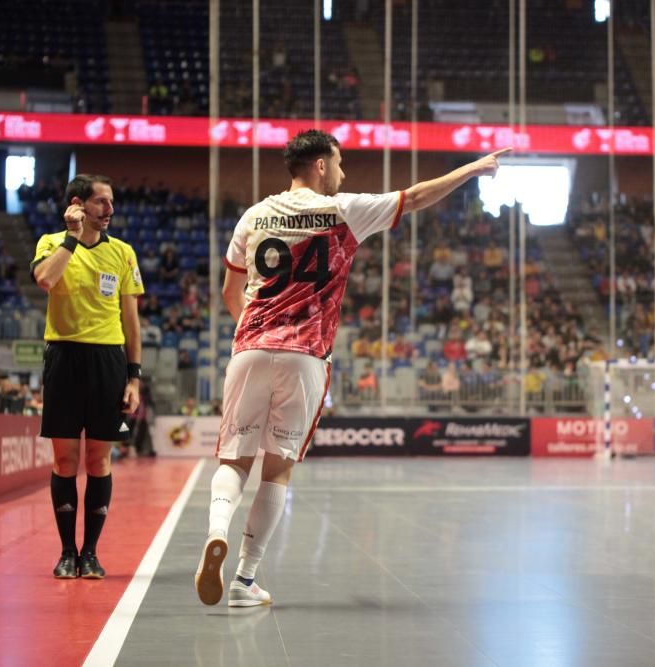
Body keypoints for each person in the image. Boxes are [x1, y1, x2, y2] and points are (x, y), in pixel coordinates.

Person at [195, 129, 507, 606]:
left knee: (234, 460)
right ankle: (243, 580)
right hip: (305, 357)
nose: (343, 173)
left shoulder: (254, 215)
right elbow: (418, 196)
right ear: (320, 165)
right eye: (339, 163)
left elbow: (228, 293)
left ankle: (217, 530)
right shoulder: (345, 210)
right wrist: (472, 169)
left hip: (251, 347)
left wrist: (255, 331)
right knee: (277, 471)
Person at [30, 174, 144, 580]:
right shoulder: (51, 242)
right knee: (65, 459)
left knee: (99, 460)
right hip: (63, 357)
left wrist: (133, 378)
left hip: (108, 363)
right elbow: (45, 279)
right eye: (100, 202)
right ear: (78, 204)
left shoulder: (124, 253)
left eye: (111, 202)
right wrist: (71, 239)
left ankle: (90, 553)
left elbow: (131, 321)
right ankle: (66, 552)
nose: (109, 210)